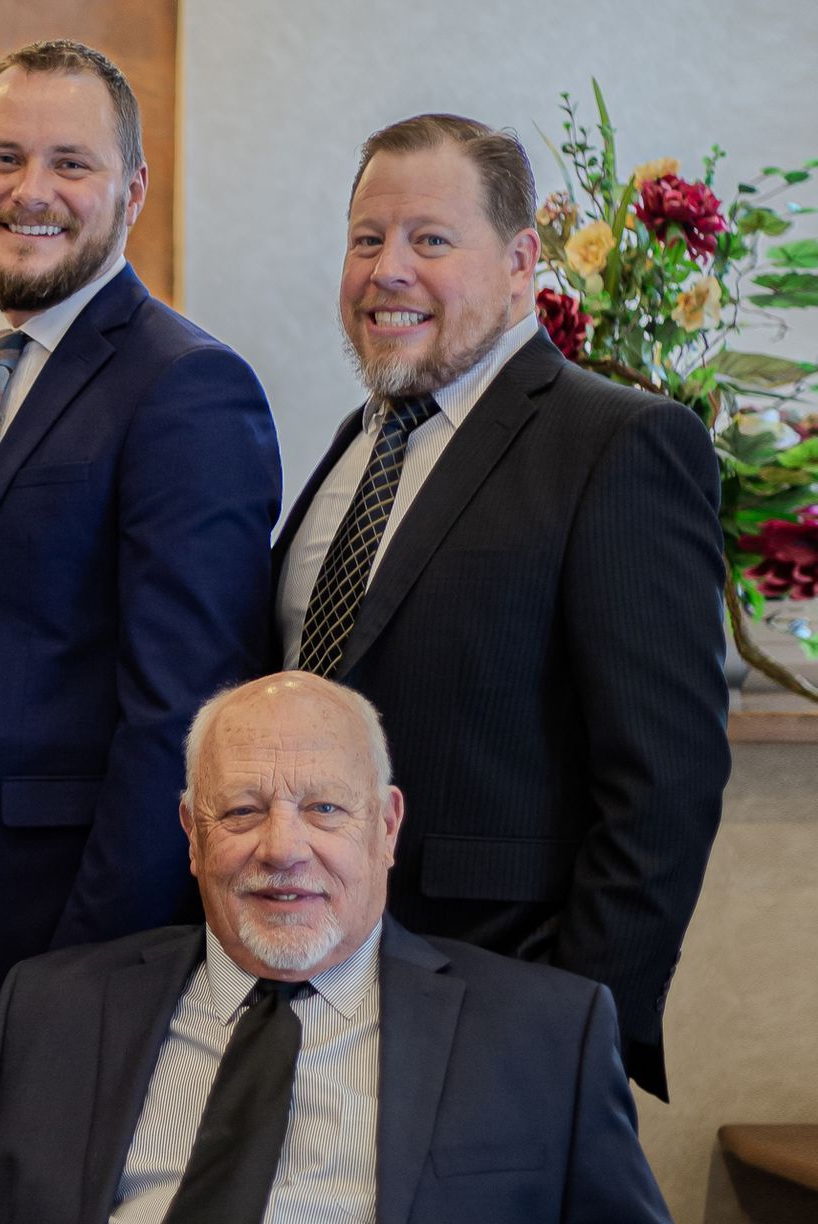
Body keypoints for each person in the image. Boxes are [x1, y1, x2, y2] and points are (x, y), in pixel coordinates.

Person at [0, 39, 281, 1196]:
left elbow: (177, 725)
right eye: (5, 157)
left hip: (69, 964)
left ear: (132, 192)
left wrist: (77, 991)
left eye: (71, 162)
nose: (32, 190)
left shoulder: (188, 388)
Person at [271, 113, 728, 1100]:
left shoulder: (621, 445)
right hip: (311, 1010)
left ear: (523, 262)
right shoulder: (359, 442)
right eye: (366, 240)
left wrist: (569, 1035)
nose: (388, 269)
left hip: (501, 1023)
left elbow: (663, 787)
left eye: (431, 239)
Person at [0, 672, 671, 1224]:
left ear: (387, 826)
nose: (284, 849)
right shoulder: (51, 1011)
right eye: (241, 811)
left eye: (325, 808)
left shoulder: (546, 1035)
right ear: (191, 836)